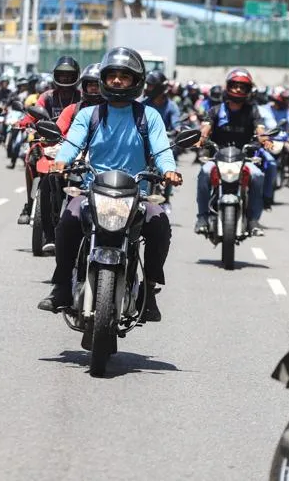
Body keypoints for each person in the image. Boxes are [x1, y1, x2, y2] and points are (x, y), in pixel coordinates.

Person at [37, 48, 182, 321]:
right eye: (112, 75)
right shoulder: (89, 114)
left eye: (124, 77)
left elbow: (162, 151)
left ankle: (148, 291)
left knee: (159, 222)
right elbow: (72, 143)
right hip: (92, 189)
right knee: (68, 220)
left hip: (135, 193)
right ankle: (61, 288)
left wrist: (170, 170)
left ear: (136, 81)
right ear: (103, 78)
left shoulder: (148, 115)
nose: (117, 81)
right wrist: (61, 162)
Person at [194, 68, 270, 236]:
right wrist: (201, 138)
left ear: (248, 91)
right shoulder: (215, 110)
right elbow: (206, 127)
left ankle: (253, 221)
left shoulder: (253, 111)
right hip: (218, 157)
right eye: (235, 85)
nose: (238, 90)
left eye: (243, 87)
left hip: (244, 159)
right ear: (228, 87)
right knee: (204, 173)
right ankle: (202, 218)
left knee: (258, 176)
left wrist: (265, 140)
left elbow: (260, 129)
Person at [16, 57, 82, 224]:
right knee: (31, 158)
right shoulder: (47, 97)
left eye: (69, 75)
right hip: (48, 141)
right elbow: (32, 114)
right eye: (62, 75)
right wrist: (22, 122)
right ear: (55, 76)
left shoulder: (81, 97)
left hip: (76, 144)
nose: (65, 79)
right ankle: (30, 203)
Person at [55, 63, 104, 134]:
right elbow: (57, 132)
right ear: (84, 87)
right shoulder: (72, 109)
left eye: (97, 85)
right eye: (90, 85)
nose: (93, 88)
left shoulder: (113, 110)